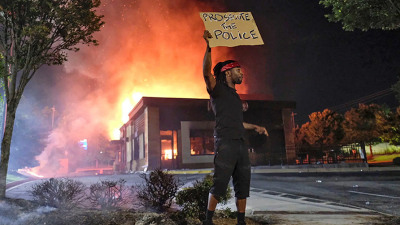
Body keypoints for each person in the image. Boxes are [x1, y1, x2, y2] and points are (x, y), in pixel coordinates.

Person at [202, 30, 269, 225]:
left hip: (240, 144)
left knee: (243, 184)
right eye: (239, 71)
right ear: (228, 72)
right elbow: (206, 74)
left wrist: (255, 127)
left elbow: (237, 122)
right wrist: (208, 46)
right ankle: (208, 220)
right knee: (220, 183)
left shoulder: (235, 96)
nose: (242, 74)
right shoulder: (218, 91)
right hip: (225, 143)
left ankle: (241, 221)